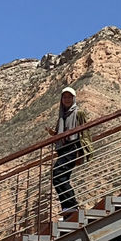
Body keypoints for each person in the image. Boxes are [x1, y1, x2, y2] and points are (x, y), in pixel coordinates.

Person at [48, 86, 81, 216]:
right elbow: (62, 133)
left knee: (58, 174)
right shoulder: (63, 115)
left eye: (69, 97)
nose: (67, 99)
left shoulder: (78, 112)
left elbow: (82, 132)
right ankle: (68, 208)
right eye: (64, 97)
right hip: (64, 148)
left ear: (74, 98)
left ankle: (72, 206)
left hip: (72, 146)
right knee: (62, 177)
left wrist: (80, 151)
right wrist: (55, 134)